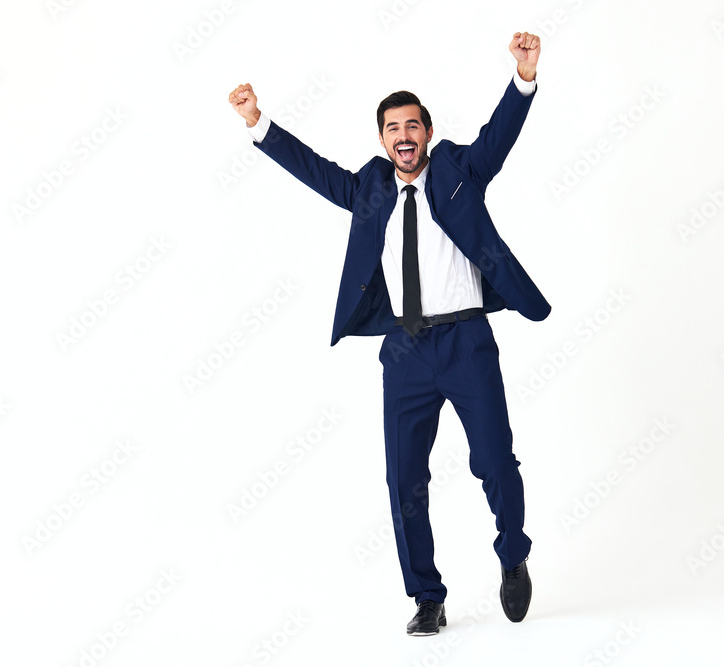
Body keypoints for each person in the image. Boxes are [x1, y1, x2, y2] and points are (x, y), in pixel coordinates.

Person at [228, 31, 549, 636]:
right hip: (403, 352)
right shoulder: (370, 189)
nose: (404, 136)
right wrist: (258, 123)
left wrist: (523, 78)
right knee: (404, 480)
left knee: (495, 461)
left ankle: (513, 555)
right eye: (392, 129)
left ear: (427, 131)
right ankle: (427, 595)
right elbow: (313, 170)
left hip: (466, 342)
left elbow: (499, 138)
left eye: (412, 126)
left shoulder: (459, 170)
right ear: (383, 139)